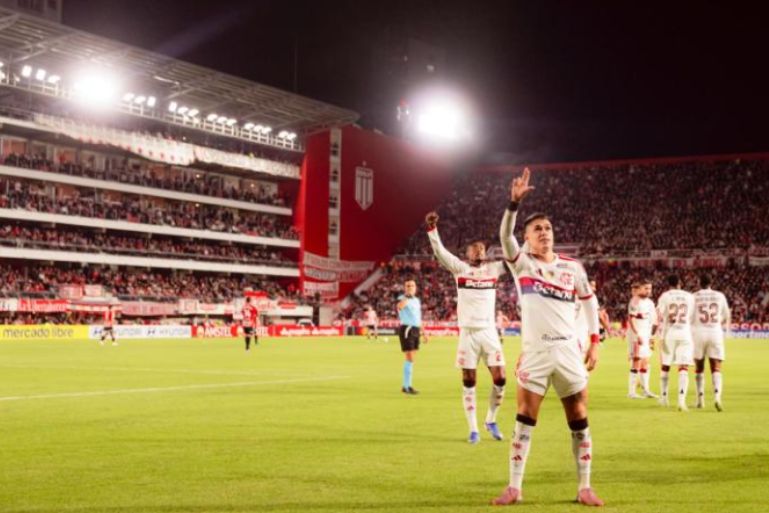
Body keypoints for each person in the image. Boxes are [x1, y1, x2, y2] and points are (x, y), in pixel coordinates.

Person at [493, 167, 604, 507]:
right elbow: (504, 238)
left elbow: (589, 300)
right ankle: (514, 487)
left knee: (579, 418)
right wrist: (513, 204)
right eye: (537, 229)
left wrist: (594, 341)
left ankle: (584, 487)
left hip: (568, 352)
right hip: (536, 352)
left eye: (548, 228)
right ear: (527, 237)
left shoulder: (573, 267)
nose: (544, 232)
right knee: (525, 419)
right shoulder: (521, 263)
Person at [425, 210, 507, 444]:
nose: (479, 251)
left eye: (482, 248)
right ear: (468, 253)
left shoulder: (494, 270)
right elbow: (439, 252)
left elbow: (515, 257)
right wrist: (432, 230)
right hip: (468, 334)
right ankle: (473, 429)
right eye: (475, 249)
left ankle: (491, 419)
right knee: (469, 381)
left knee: (500, 379)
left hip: (489, 332)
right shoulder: (460, 270)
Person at [656, 275, 695, 411]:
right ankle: (681, 402)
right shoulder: (689, 296)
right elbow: (693, 316)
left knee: (665, 366)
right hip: (685, 334)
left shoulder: (665, 296)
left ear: (669, 284)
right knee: (683, 368)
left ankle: (664, 398)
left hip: (669, 334)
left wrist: (656, 334)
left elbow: (658, 315)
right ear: (680, 282)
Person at [692, 274, 731, 411]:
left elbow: (689, 317)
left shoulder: (694, 296)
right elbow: (726, 315)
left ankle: (700, 400)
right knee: (716, 368)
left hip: (698, 333)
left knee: (699, 368)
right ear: (711, 283)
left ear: (699, 282)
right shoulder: (720, 296)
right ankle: (717, 398)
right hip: (715, 333)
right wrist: (718, 323)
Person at [626, 280, 658, 398]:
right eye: (646, 288)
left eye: (650, 288)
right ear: (640, 289)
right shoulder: (635, 301)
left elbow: (654, 321)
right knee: (636, 361)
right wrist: (637, 334)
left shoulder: (650, 303)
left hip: (646, 334)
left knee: (646, 363)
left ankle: (646, 390)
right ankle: (632, 392)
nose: (648, 291)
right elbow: (631, 319)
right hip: (637, 335)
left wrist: (652, 336)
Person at [398, 279, 423, 395]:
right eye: (408, 286)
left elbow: (418, 316)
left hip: (416, 329)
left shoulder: (417, 300)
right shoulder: (402, 298)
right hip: (407, 329)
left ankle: (407, 385)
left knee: (412, 359)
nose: (410, 287)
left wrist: (424, 332)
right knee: (410, 357)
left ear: (416, 287)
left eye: (412, 285)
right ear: (405, 288)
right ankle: (406, 386)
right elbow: (399, 306)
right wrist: (407, 297)